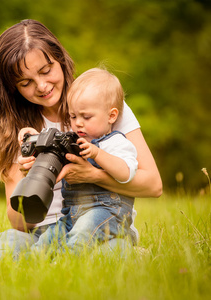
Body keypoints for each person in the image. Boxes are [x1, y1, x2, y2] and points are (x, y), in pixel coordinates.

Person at [0, 19, 162, 258]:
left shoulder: (100, 103)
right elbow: (19, 226)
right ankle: (51, 259)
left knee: (109, 254)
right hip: (45, 234)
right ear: (13, 88)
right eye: (26, 82)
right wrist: (26, 178)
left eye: (46, 70)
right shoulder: (19, 129)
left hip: (100, 228)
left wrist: (92, 175)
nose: (41, 86)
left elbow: (154, 185)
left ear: (60, 59)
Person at [23, 67, 139, 254]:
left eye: (86, 117)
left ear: (112, 116)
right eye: (73, 116)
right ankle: (30, 266)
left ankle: (63, 266)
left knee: (82, 235)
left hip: (107, 212)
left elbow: (126, 173)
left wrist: (97, 154)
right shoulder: (75, 142)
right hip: (72, 214)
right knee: (47, 240)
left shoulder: (116, 142)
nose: (78, 123)